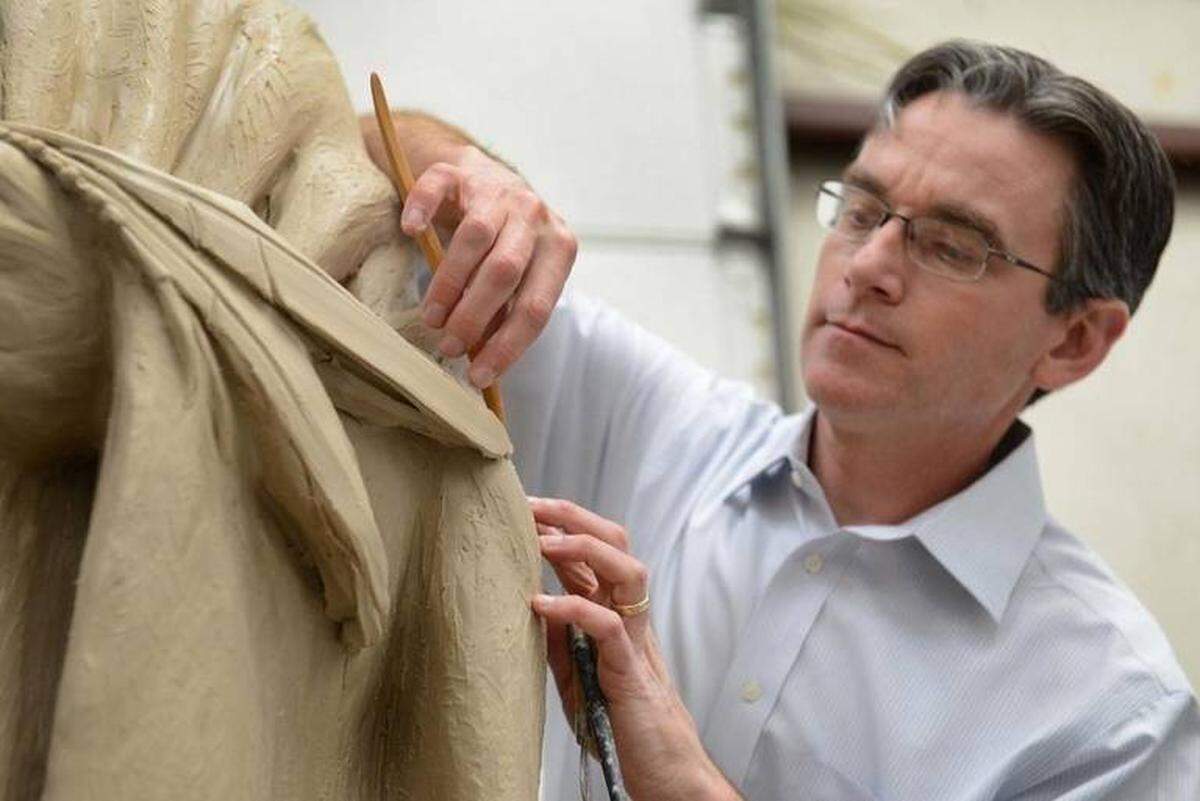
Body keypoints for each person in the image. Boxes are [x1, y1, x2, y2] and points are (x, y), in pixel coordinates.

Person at [367, 40, 1200, 800]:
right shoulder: (658, 427)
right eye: (864, 211)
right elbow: (353, 150)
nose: (868, 267)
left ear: (1076, 339)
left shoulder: (1114, 715)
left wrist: (681, 774)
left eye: (952, 245)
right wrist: (478, 184)